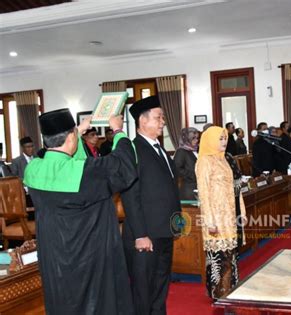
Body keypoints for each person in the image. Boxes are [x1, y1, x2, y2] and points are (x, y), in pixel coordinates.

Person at [23, 109, 136, 314]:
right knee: (95, 303)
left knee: (62, 302)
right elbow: (124, 166)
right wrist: (118, 130)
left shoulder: (33, 169)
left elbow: (58, 158)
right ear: (70, 137)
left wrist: (76, 133)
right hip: (88, 256)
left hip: (54, 255)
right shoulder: (87, 172)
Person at [122, 95, 182, 315]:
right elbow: (130, 196)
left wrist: (176, 224)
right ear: (142, 121)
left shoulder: (161, 149)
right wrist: (140, 234)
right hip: (145, 234)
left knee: (160, 286)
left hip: (164, 230)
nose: (163, 122)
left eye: (162, 117)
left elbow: (169, 190)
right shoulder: (132, 149)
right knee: (143, 290)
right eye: (158, 117)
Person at [196, 126, 246, 300]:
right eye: (220, 139)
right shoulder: (204, 161)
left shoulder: (224, 160)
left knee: (231, 256)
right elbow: (203, 192)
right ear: (210, 140)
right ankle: (219, 294)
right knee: (219, 258)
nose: (224, 142)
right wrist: (210, 220)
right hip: (215, 218)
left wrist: (242, 212)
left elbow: (235, 187)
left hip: (229, 217)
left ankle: (230, 291)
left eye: (225, 138)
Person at [174, 127, 199, 200]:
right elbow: (177, 169)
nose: (196, 141)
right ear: (186, 139)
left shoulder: (195, 150)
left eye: (197, 138)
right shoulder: (181, 151)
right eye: (193, 138)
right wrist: (193, 175)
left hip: (197, 187)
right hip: (188, 190)